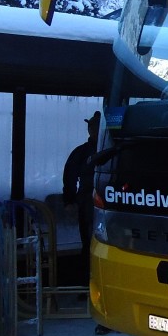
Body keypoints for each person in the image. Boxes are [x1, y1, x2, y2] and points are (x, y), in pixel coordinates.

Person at [63, 111, 100, 267]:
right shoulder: (82, 152)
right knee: (90, 241)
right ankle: (88, 280)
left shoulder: (82, 152)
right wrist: (70, 200)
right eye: (92, 128)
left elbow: (70, 176)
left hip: (104, 200)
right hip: (89, 201)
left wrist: (70, 200)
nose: (93, 131)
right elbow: (70, 176)